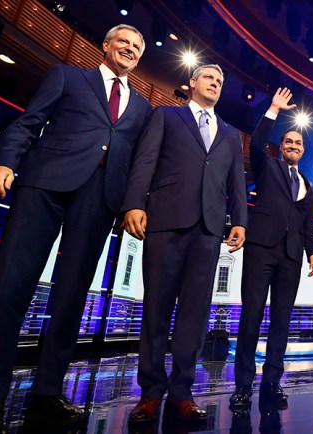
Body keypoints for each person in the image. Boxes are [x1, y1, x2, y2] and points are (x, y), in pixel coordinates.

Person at [0, 24, 151, 432]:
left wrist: (134, 203)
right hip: (44, 185)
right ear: (106, 46)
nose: (130, 49)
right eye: (124, 42)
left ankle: (47, 393)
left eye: (137, 47)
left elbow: (140, 163)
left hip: (100, 199)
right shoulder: (68, 75)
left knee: (70, 300)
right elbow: (28, 122)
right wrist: (4, 160)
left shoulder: (142, 107)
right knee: (9, 288)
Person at [121, 64, 247, 423]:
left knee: (194, 313)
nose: (216, 84)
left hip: (209, 229)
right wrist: (134, 202)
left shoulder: (231, 134)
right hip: (165, 220)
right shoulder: (167, 116)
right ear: (193, 82)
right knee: (157, 309)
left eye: (221, 81)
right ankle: (149, 392)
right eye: (210, 78)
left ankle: (182, 391)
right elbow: (145, 160)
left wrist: (240, 220)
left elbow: (237, 182)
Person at [229, 88, 313, 410]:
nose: (293, 146)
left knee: (281, 320)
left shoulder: (308, 184)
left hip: (292, 255)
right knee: (251, 317)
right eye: (288, 142)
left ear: (303, 150)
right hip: (261, 249)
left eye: (298, 143)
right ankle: (242, 386)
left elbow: (309, 221)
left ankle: (272, 383)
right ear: (281, 148)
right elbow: (254, 144)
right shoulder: (269, 167)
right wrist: (273, 111)